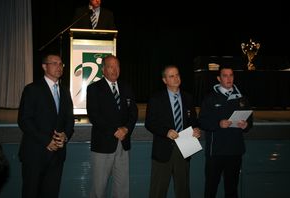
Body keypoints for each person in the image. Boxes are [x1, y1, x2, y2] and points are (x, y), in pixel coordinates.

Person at [17, 53, 74, 198]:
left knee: (51, 193)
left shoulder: (65, 91)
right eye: (54, 63)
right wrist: (47, 141)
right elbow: (24, 120)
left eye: (61, 64)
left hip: (57, 156)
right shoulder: (32, 89)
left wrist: (65, 135)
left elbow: (69, 119)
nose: (59, 67)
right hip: (35, 154)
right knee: (31, 193)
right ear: (44, 66)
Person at [145, 65, 201, 198]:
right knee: (158, 191)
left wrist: (196, 129)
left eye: (177, 75)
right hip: (163, 149)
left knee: (183, 190)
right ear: (164, 80)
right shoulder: (156, 98)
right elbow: (150, 123)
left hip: (185, 147)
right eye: (171, 76)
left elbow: (193, 121)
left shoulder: (188, 98)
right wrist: (166, 132)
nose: (176, 78)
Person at [86, 54, 138, 198]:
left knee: (122, 189)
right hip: (103, 144)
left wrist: (126, 129)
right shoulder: (94, 89)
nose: (114, 70)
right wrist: (115, 131)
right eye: (110, 66)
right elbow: (94, 115)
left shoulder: (126, 87)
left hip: (123, 143)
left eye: (117, 66)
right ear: (103, 70)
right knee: (98, 189)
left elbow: (133, 112)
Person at [199, 65, 253, 198]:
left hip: (235, 151)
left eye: (231, 75)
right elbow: (202, 121)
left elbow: (250, 121)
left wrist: (246, 125)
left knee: (232, 190)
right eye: (225, 75)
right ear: (219, 78)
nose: (229, 78)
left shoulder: (242, 98)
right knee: (211, 189)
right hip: (216, 152)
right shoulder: (210, 98)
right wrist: (218, 124)